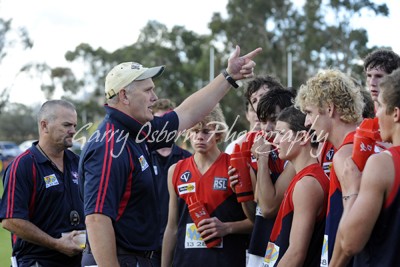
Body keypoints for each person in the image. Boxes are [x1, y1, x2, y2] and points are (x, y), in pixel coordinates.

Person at [79, 45, 262, 267]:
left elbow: (187, 112)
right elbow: (97, 219)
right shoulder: (110, 143)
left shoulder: (137, 132)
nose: (154, 97)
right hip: (118, 259)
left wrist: (228, 76)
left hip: (134, 258)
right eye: (147, 91)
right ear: (124, 96)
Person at [161, 105, 252, 267]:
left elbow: (256, 222)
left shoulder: (234, 165)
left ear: (218, 134)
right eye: (195, 131)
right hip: (185, 262)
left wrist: (227, 228)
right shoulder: (175, 170)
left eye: (206, 131)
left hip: (225, 261)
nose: (199, 137)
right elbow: (172, 227)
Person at [0, 100, 85, 267]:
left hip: (78, 260)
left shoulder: (78, 162)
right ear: (44, 126)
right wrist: (56, 244)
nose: (73, 131)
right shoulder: (23, 165)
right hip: (36, 262)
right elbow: (10, 220)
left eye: (74, 125)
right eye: (67, 125)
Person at [330, 68, 400, 266]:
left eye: (380, 105)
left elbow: (350, 243)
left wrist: (352, 189)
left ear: (395, 114)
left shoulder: (383, 164)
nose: (376, 114)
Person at [295, 69, 364, 266]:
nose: (307, 122)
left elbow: (352, 224)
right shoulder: (370, 143)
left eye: (309, 113)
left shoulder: (345, 155)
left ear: (330, 108)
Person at [262, 106, 329, 267]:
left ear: (303, 137)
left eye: (281, 133)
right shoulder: (302, 178)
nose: (276, 140)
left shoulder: (307, 183)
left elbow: (296, 253)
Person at [245, 88, 296, 267]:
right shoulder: (267, 148)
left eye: (273, 120)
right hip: (261, 246)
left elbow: (268, 208)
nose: (267, 128)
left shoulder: (296, 156)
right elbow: (257, 204)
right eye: (263, 121)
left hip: (284, 250)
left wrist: (262, 159)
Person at [149, 98, 192, 267]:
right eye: (159, 122)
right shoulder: (142, 156)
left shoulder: (187, 159)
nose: (164, 128)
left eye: (168, 122)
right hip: (147, 243)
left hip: (179, 239)